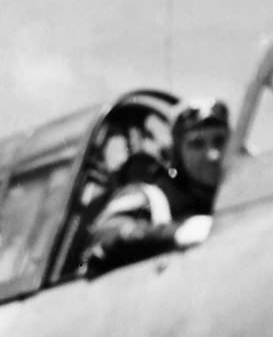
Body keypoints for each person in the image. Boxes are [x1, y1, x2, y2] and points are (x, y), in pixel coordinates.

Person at [82, 98, 229, 277]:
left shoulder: (235, 196)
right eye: (197, 144)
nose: (213, 154)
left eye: (220, 141)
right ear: (177, 153)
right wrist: (176, 233)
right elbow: (108, 232)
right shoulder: (150, 197)